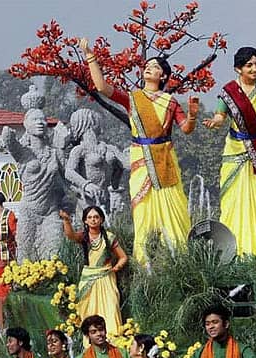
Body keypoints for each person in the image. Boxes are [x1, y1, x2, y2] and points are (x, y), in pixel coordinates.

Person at [79, 37, 198, 265]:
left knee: (172, 210)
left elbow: (186, 129)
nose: (148, 68)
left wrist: (192, 116)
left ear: (163, 76)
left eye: (154, 67)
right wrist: (89, 55)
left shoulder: (170, 102)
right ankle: (144, 264)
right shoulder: (133, 99)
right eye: (147, 66)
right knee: (142, 212)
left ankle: (178, 262)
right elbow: (102, 88)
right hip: (141, 159)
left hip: (164, 160)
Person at [203, 47, 256, 257]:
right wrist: (214, 122)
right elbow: (220, 117)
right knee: (233, 202)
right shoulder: (229, 92)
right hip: (236, 152)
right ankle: (235, 252)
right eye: (249, 65)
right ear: (238, 69)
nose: (255, 68)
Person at [59, 207, 127, 336]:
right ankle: (90, 342)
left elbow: (123, 257)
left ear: (101, 219)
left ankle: (113, 339)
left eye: (96, 217)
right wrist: (66, 221)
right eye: (89, 217)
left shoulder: (109, 237)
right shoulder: (84, 236)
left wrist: (116, 268)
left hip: (106, 279)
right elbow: (71, 235)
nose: (93, 220)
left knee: (111, 308)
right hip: (88, 278)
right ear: (85, 220)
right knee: (89, 311)